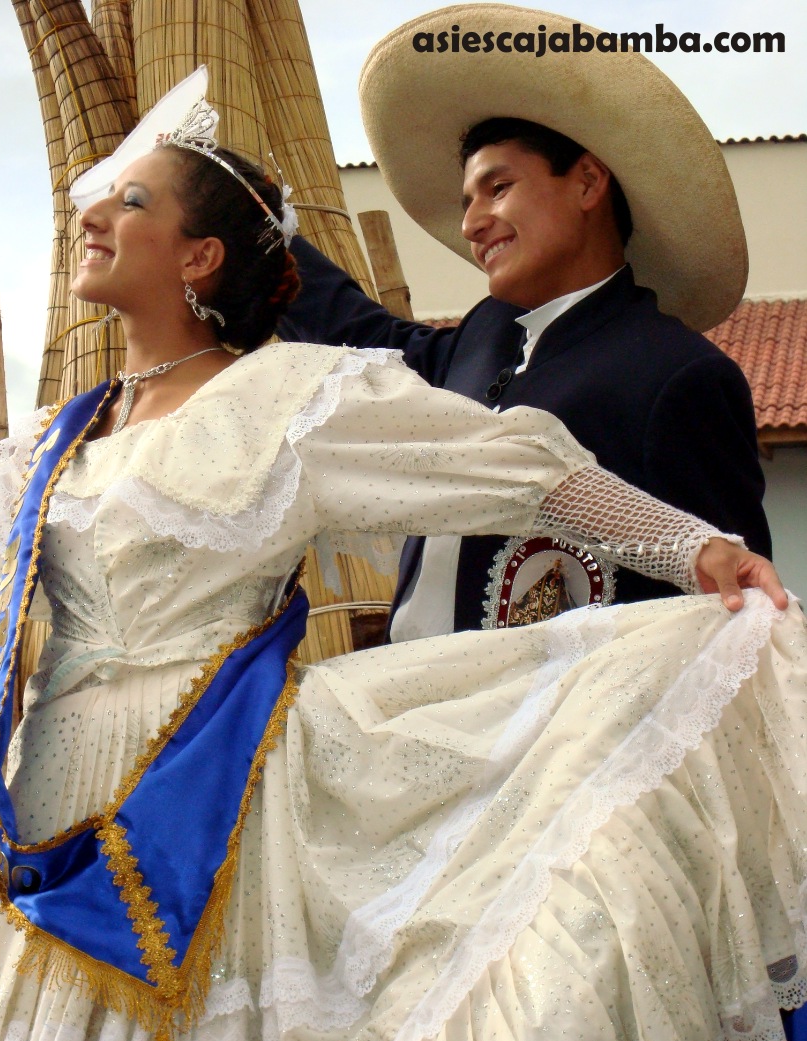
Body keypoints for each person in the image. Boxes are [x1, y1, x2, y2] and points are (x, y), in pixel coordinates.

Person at [0, 68, 805, 1041]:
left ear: (198, 257)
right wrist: (261, 211)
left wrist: (698, 551)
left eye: (132, 199)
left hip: (217, 792)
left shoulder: (292, 404)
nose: (94, 211)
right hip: (51, 809)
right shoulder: (56, 447)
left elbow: (518, 469)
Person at [278, 4, 771, 641]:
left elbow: (730, 614)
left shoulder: (679, 376)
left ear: (589, 181)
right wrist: (269, 239)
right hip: (411, 710)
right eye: (466, 202)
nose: (470, 223)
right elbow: (376, 346)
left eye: (498, 188)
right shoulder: (486, 335)